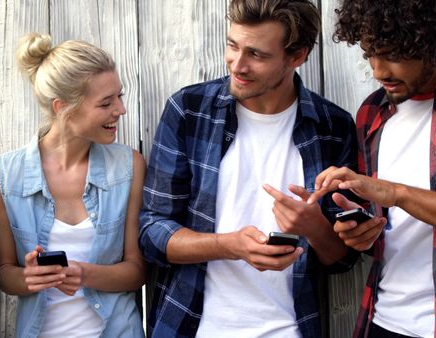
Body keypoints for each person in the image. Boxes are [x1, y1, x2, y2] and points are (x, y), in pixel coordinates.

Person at [139, 0, 359, 337]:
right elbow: (151, 233)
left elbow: (341, 259)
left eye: (257, 54)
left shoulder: (333, 127)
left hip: (290, 328)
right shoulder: (189, 110)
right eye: (232, 46)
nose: (237, 65)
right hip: (193, 327)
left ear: (297, 56)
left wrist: (315, 227)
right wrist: (230, 245)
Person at [306, 1, 436, 337]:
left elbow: (393, 196)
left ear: (434, 40)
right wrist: (360, 230)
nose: (377, 71)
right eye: (369, 55)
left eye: (391, 54)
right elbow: (388, 227)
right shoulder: (373, 113)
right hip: (383, 320)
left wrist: (396, 193)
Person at [0, 33, 145, 338]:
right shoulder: (4, 176)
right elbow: (5, 275)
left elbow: (137, 272)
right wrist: (30, 276)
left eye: (119, 96)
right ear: (62, 107)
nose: (120, 110)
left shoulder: (128, 167)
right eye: (106, 103)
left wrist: (85, 274)